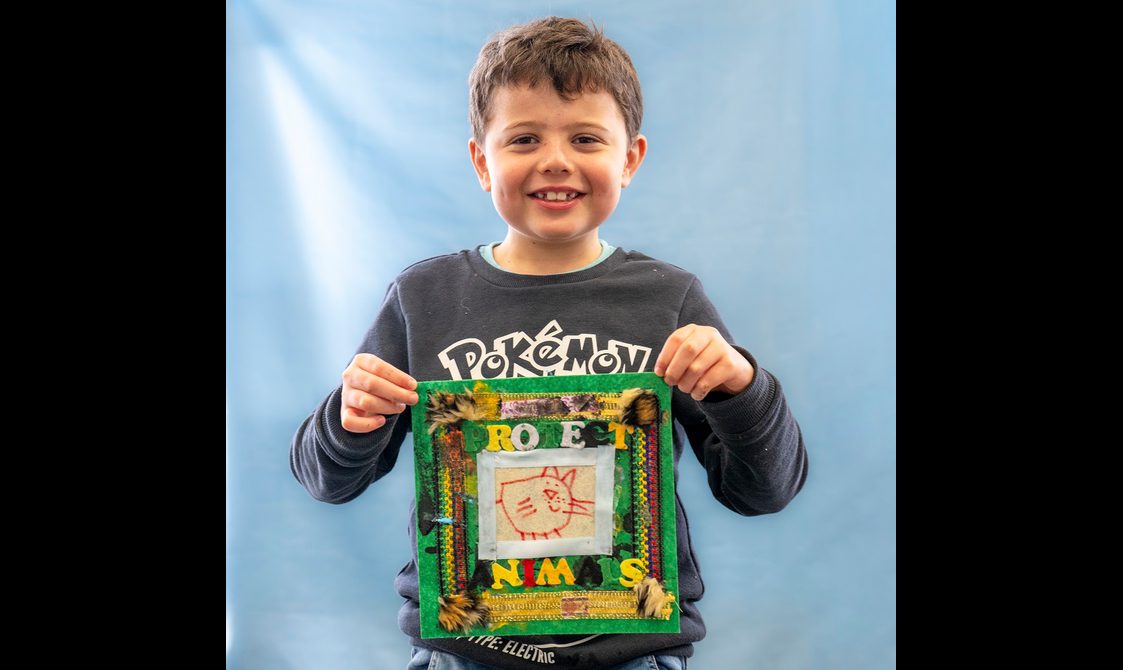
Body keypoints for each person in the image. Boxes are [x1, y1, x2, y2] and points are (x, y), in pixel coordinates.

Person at [291, 16, 808, 670]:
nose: (556, 159)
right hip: (462, 649)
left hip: (635, 652)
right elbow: (325, 479)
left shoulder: (669, 300)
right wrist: (349, 419)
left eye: (586, 137)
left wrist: (743, 388)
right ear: (483, 160)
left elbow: (764, 489)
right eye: (524, 137)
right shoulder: (423, 298)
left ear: (630, 159)